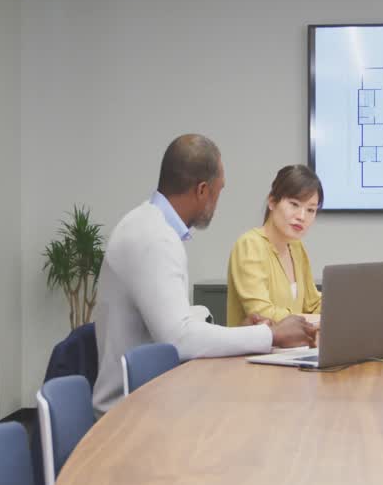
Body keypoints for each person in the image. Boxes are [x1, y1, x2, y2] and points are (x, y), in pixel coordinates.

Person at [92, 134, 318, 416]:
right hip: (132, 411)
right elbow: (179, 338)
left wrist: (240, 332)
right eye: (219, 191)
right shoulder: (154, 238)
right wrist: (269, 334)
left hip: (153, 393)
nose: (218, 202)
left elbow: (173, 323)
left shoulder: (148, 224)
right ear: (202, 191)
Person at [225, 165, 324, 327]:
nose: (302, 216)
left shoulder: (296, 247)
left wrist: (345, 306)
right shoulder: (250, 244)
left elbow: (312, 304)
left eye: (311, 210)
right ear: (272, 202)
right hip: (255, 350)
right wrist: (312, 322)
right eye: (294, 204)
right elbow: (261, 312)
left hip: (294, 349)